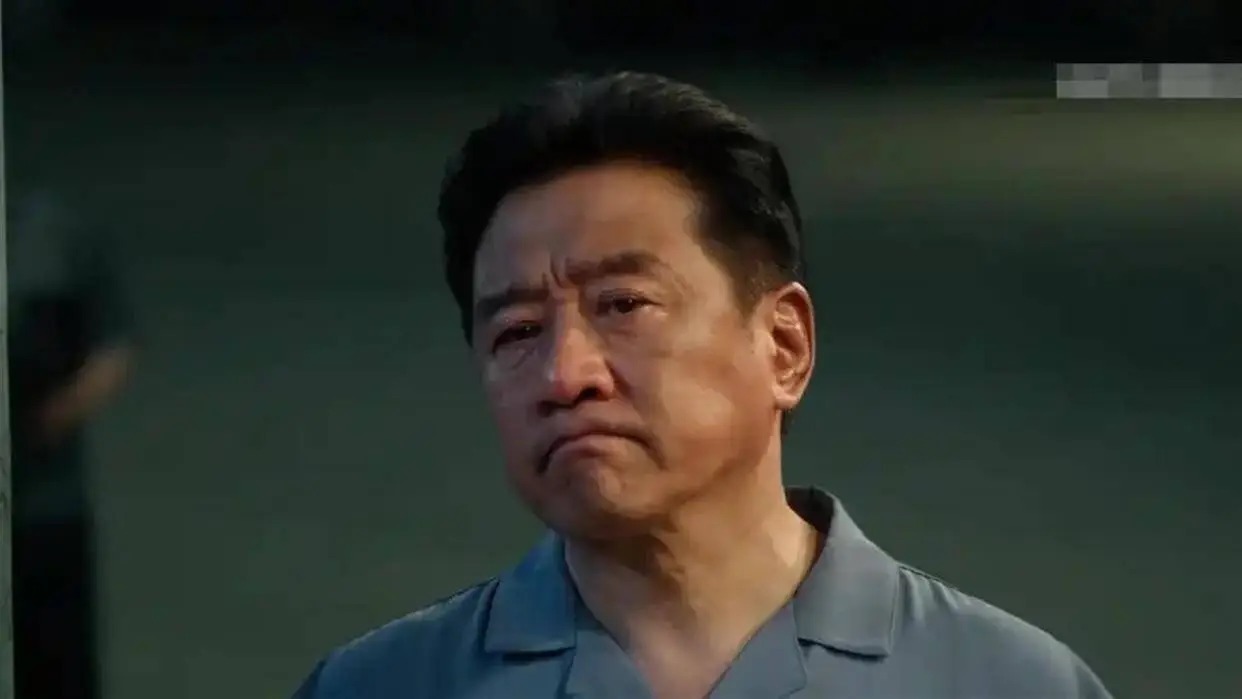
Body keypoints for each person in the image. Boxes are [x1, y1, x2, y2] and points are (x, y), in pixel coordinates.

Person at [292, 72, 1112, 698]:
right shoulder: (380, 685)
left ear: (784, 345)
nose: (565, 374)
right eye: (516, 332)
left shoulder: (1008, 683)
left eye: (623, 305)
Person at [8, 187, 135, 699]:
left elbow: (114, 345)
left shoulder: (52, 239)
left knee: (56, 659)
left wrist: (55, 417)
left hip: (43, 506)